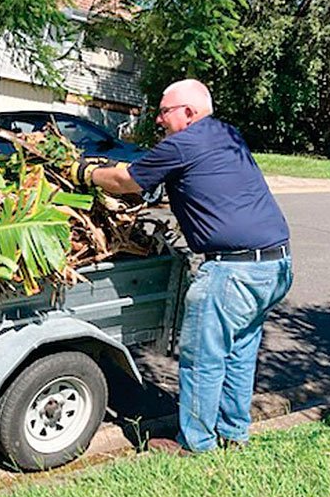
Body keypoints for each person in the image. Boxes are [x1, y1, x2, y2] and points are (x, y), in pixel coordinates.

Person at [70, 79, 293, 454]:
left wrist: (84, 173)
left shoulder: (185, 142)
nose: (159, 120)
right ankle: (233, 433)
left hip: (232, 271)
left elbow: (126, 180)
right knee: (239, 351)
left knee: (202, 359)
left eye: (164, 112)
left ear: (188, 113)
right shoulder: (225, 133)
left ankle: (195, 444)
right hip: (276, 265)